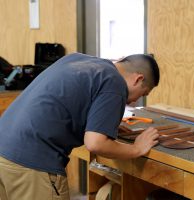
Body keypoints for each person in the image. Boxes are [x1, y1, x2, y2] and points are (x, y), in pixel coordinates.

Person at [0, 53, 160, 200]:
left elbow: (67, 103)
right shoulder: (115, 83)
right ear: (138, 79)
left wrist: (103, 125)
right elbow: (95, 143)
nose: (134, 101)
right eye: (143, 93)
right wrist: (137, 149)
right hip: (31, 163)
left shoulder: (78, 60)